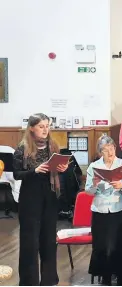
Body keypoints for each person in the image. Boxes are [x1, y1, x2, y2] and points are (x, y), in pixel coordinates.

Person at [13, 113, 69, 285]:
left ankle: (49, 280)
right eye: (41, 126)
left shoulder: (53, 145)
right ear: (32, 128)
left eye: (47, 126)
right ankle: (29, 282)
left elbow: (57, 171)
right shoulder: (22, 148)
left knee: (48, 240)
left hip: (50, 196)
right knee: (30, 242)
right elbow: (16, 174)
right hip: (30, 198)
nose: (46, 130)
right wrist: (34, 171)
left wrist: (63, 168)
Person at [84, 136, 122, 285]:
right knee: (102, 244)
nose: (110, 152)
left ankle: (121, 275)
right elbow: (88, 191)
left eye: (111, 148)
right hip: (100, 210)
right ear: (100, 152)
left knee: (121, 243)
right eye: (105, 150)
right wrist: (95, 184)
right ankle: (105, 276)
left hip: (119, 209)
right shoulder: (94, 166)